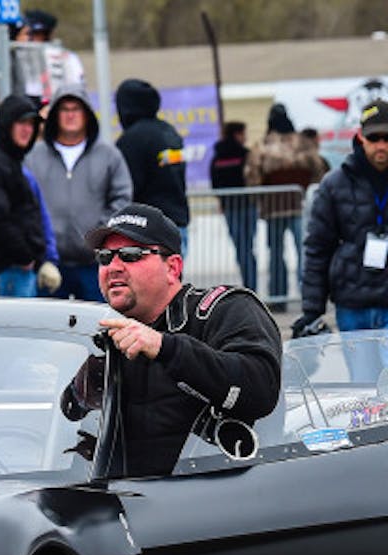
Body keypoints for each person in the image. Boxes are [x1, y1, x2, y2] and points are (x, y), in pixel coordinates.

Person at [63, 203, 281, 477]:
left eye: (130, 255)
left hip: (212, 498)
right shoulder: (101, 336)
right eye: (105, 257)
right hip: (118, 503)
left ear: (173, 267)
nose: (113, 267)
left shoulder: (223, 309)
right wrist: (76, 391)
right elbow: (66, 429)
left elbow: (260, 388)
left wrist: (164, 347)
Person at [299, 101, 388, 380]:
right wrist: (312, 310)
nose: (381, 145)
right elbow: (317, 248)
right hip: (353, 305)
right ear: (361, 137)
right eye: (374, 138)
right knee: (363, 393)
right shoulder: (334, 184)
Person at [27, 85, 133, 301]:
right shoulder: (33, 157)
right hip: (49, 266)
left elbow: (122, 198)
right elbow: (24, 203)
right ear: (54, 115)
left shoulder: (109, 155)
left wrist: (99, 235)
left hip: (95, 265)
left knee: (98, 328)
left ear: (87, 114)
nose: (70, 115)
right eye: (64, 109)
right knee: (47, 329)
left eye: (76, 108)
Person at [244, 103, 327, 299]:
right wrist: (310, 194)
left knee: (276, 254)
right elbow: (319, 170)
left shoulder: (262, 145)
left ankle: (278, 295)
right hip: (300, 205)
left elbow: (252, 177)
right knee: (304, 252)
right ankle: (308, 293)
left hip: (274, 208)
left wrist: (258, 200)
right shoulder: (304, 143)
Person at [0, 94, 51, 297]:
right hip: (7, 272)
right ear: (8, 123)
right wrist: (25, 256)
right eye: (21, 122)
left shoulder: (9, 160)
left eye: (31, 124)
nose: (28, 129)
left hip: (16, 270)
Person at [115, 79, 190, 253]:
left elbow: (126, 188)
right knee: (172, 278)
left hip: (147, 230)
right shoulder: (170, 133)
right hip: (178, 223)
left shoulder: (131, 140)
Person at [210, 121, 257, 289]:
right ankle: (251, 286)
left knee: (241, 248)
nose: (246, 138)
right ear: (237, 134)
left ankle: (249, 285)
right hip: (248, 205)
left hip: (230, 207)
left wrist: (221, 201)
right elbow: (253, 178)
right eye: (244, 134)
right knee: (248, 247)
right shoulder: (245, 154)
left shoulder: (217, 156)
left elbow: (214, 182)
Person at [16, 9, 85, 107]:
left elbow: (76, 88)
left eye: (34, 34)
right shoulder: (16, 56)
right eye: (27, 34)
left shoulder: (67, 58)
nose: (29, 39)